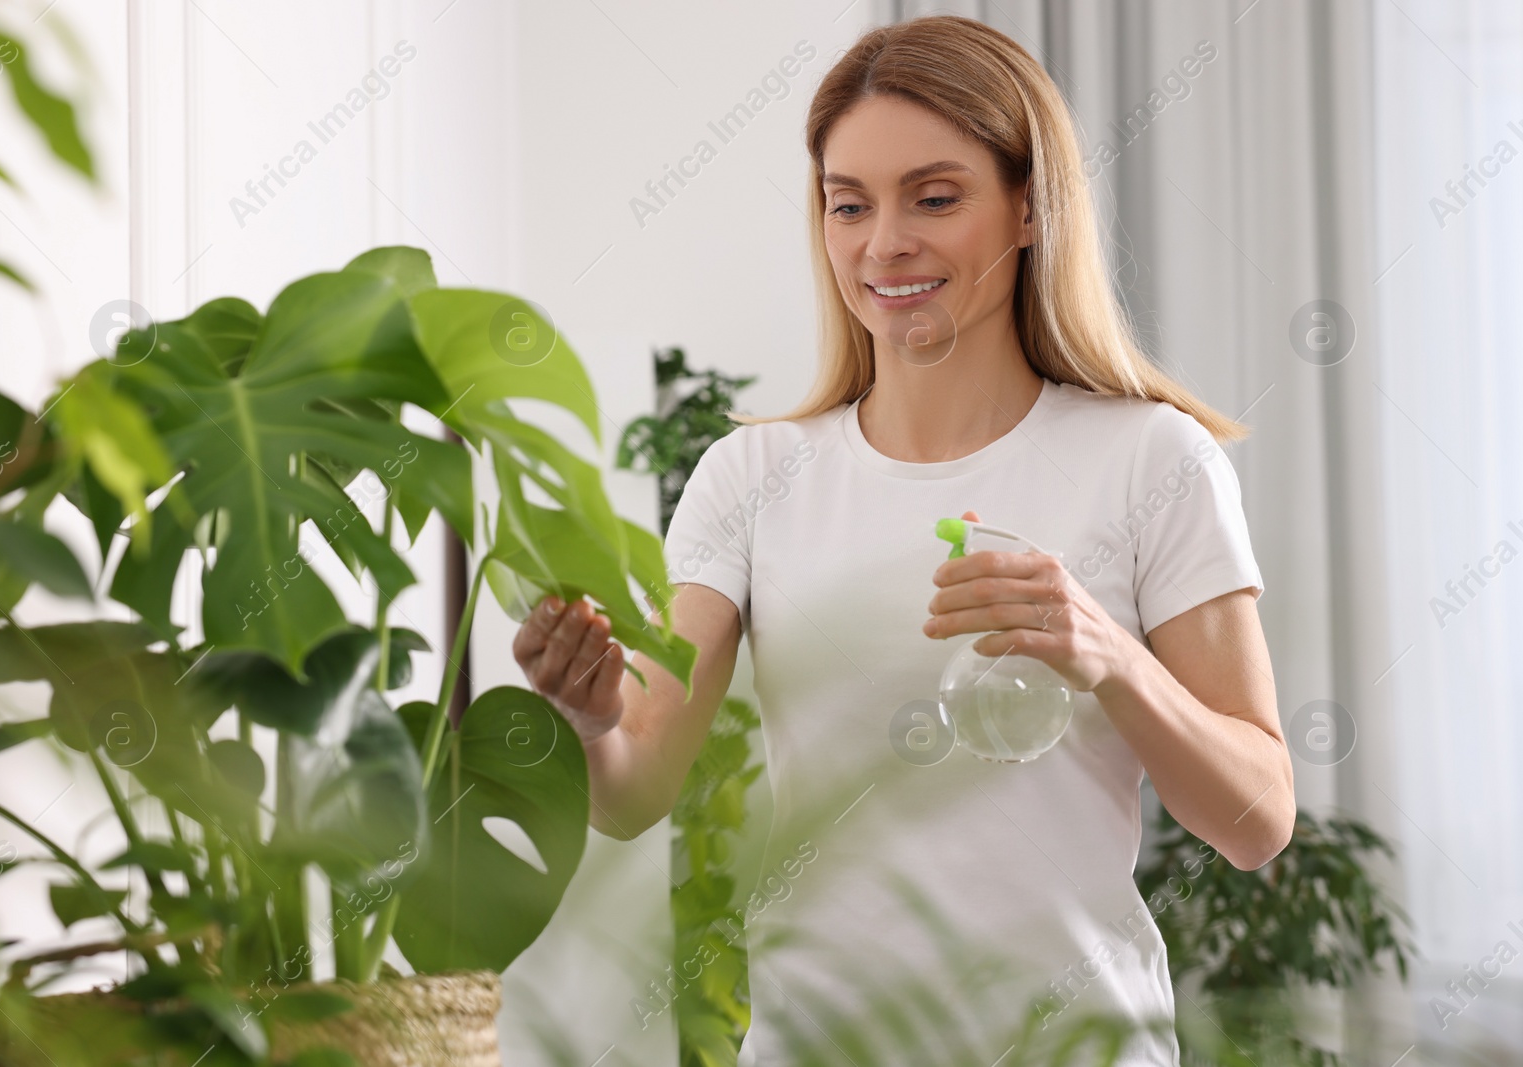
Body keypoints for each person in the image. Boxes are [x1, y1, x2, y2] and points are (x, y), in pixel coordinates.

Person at [513, 14, 1294, 1066]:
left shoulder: (1153, 460)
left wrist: (1110, 656)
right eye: (849, 204)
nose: (884, 243)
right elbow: (636, 788)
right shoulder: (749, 475)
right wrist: (591, 712)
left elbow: (1257, 819)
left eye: (934, 197)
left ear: (1027, 207)